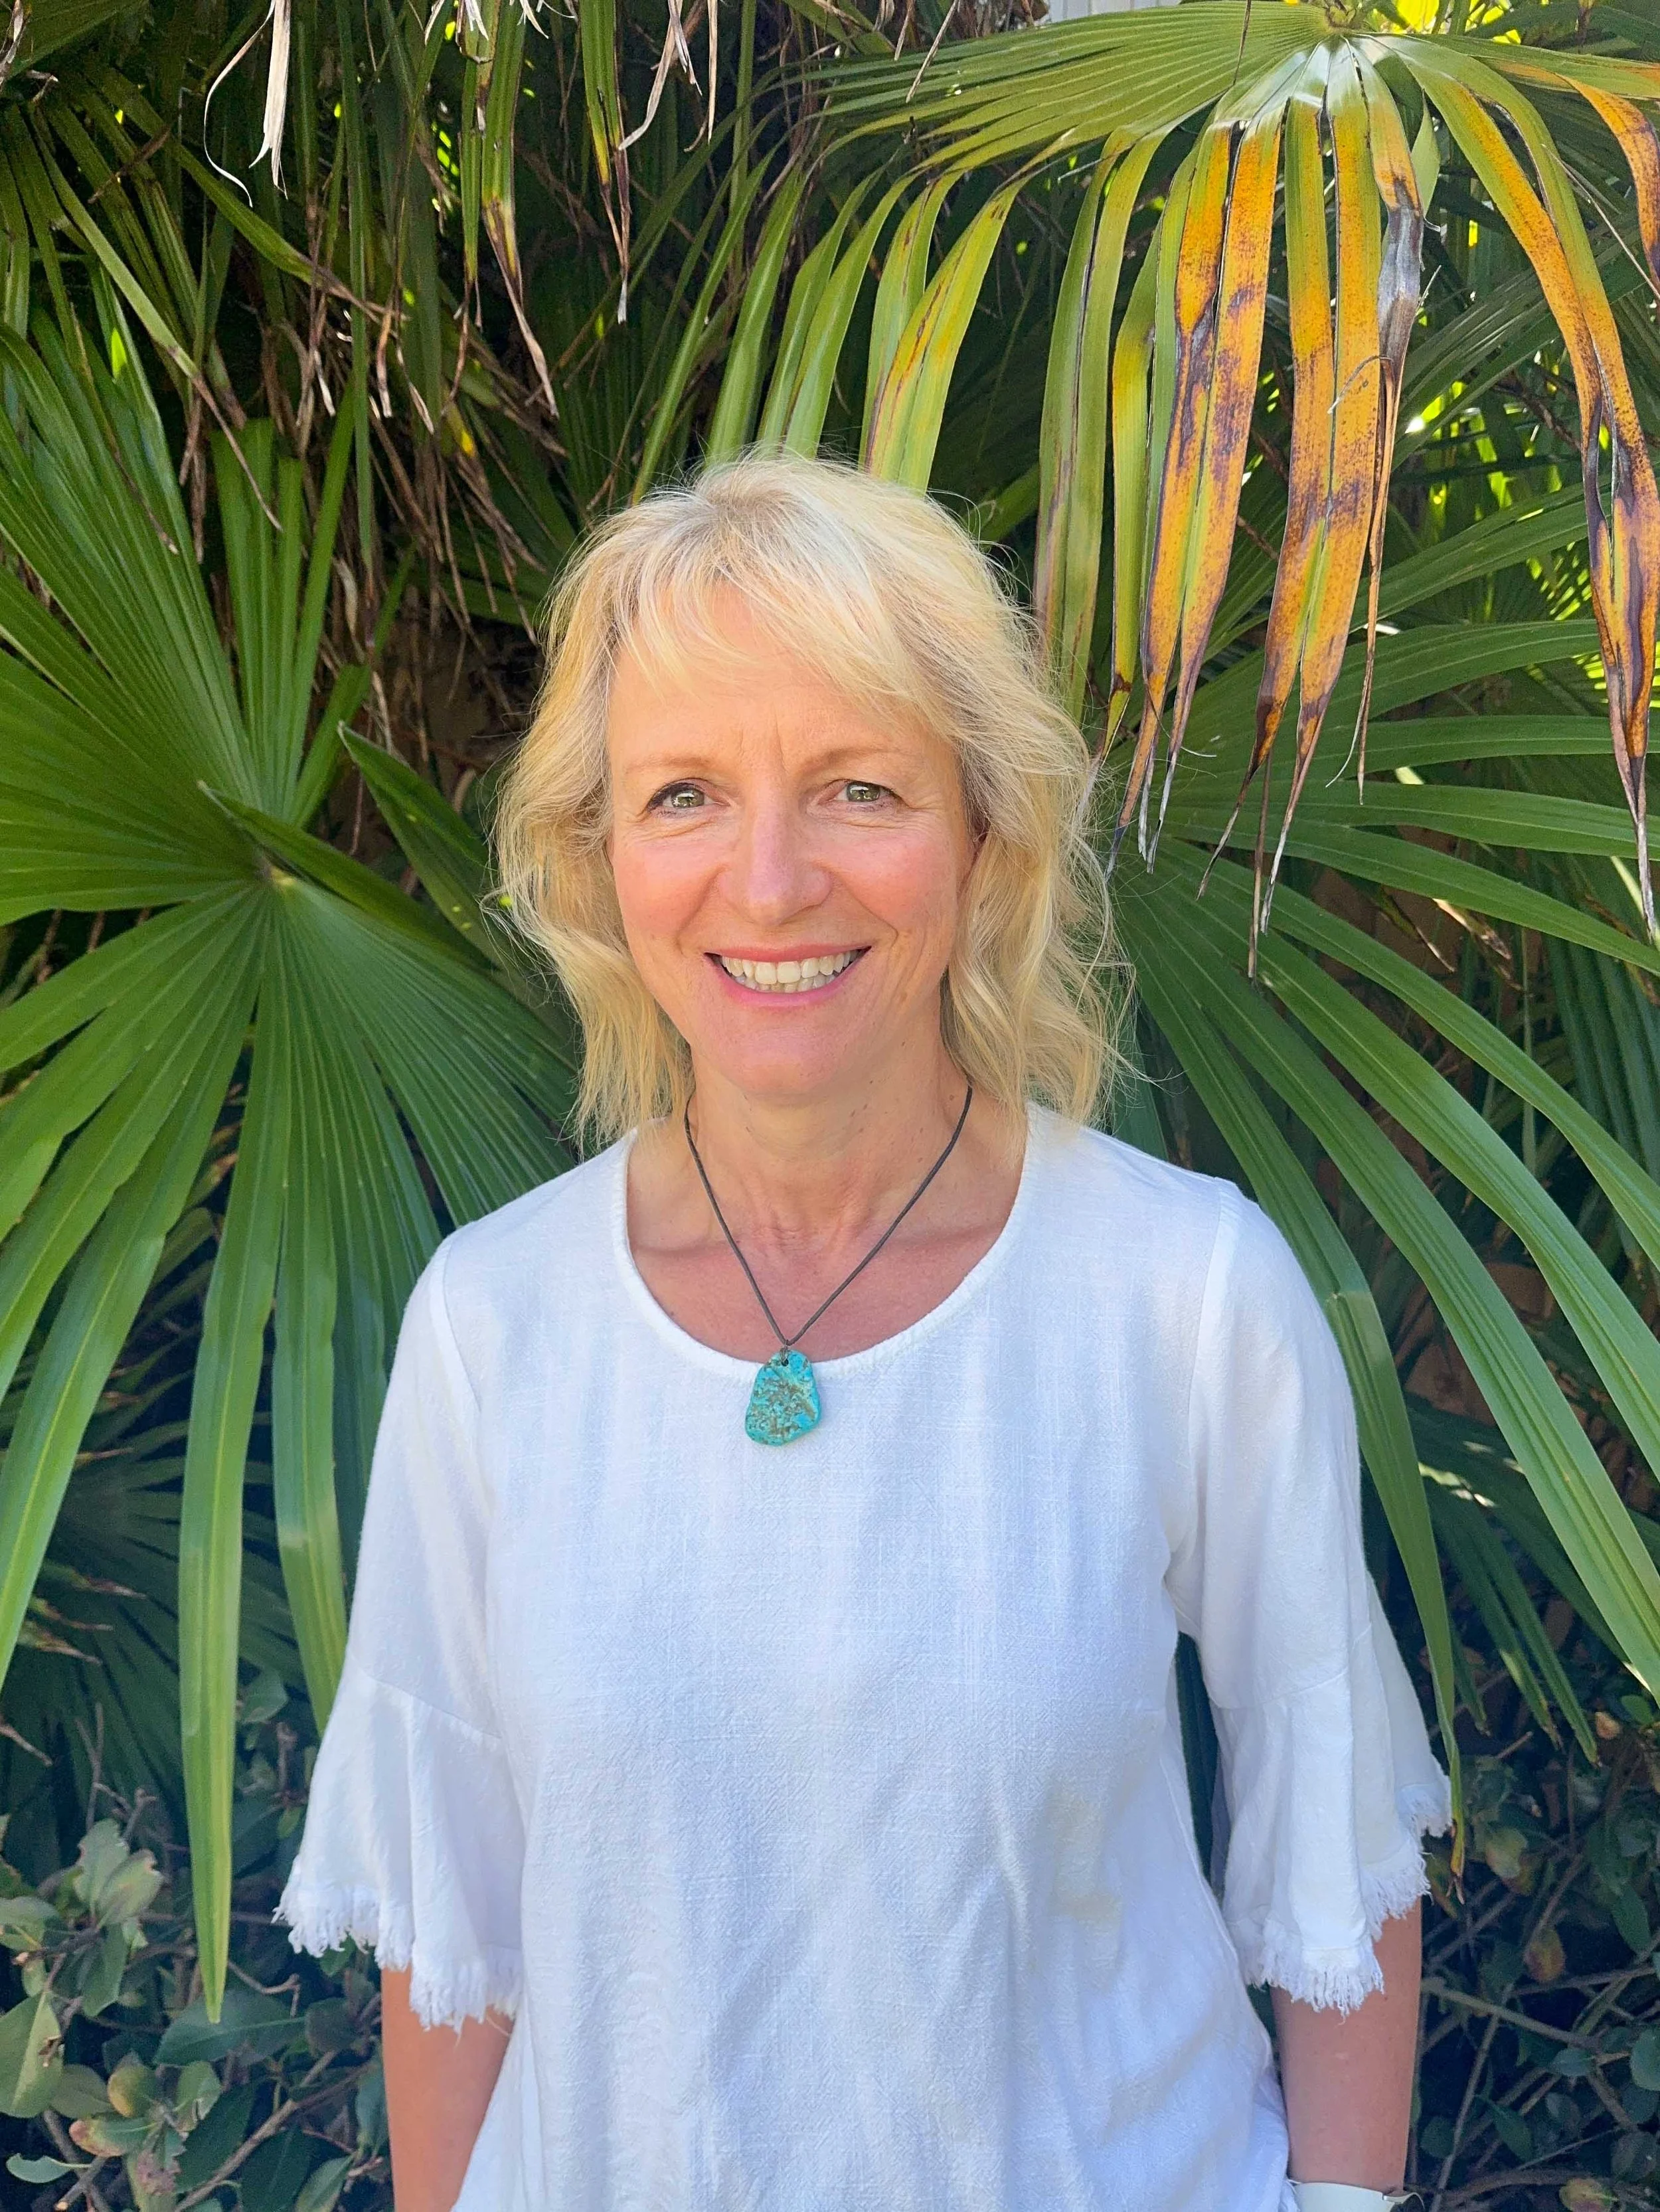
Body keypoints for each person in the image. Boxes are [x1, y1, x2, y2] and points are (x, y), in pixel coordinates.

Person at [278, 450, 1450, 2212]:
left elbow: (1335, 1843)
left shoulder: (1182, 1297)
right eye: (683, 795)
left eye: (854, 789)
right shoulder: (492, 1331)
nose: (767, 883)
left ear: (982, 835)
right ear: (598, 859)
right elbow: (455, 1944)